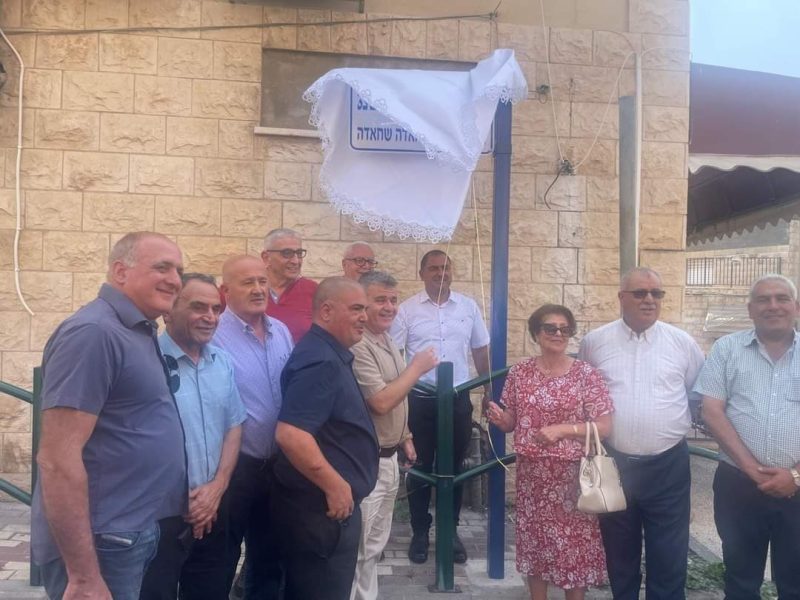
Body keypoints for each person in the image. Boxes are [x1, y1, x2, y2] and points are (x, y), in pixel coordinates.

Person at [31, 232, 187, 600]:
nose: (175, 280)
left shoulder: (134, 329)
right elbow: (57, 459)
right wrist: (84, 576)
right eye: (162, 268)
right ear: (120, 271)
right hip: (102, 539)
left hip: (128, 530)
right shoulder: (94, 333)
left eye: (179, 271)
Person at [578, 267, 705, 600]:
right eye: (640, 293)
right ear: (621, 297)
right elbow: (584, 394)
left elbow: (695, 395)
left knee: (670, 554)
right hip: (614, 463)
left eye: (656, 293)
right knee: (619, 553)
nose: (649, 300)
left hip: (668, 465)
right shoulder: (595, 343)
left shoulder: (682, 343)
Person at [487, 304, 613, 600]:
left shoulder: (586, 374)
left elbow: (604, 426)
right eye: (550, 328)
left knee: (573, 548)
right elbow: (512, 421)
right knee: (536, 545)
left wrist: (563, 430)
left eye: (564, 329)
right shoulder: (520, 373)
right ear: (535, 333)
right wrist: (501, 419)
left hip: (573, 479)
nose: (558, 333)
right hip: (533, 478)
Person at [140, 273, 247, 600]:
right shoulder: (145, 365)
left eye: (216, 309)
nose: (210, 317)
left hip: (215, 507)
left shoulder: (222, 362)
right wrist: (185, 498)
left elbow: (233, 426)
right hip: (160, 516)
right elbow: (137, 443)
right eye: (199, 307)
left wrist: (216, 488)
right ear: (168, 312)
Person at [694, 274, 800, 600]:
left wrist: (795, 475)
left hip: (798, 487)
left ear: (796, 307)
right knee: (740, 581)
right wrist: (752, 469)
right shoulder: (727, 349)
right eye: (763, 299)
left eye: (782, 298)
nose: (773, 306)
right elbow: (711, 410)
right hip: (738, 485)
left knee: (796, 583)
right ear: (750, 309)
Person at [272, 277, 379, 600]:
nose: (365, 317)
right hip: (322, 511)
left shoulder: (330, 353)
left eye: (365, 309)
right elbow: (291, 433)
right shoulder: (321, 360)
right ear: (327, 311)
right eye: (356, 309)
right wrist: (335, 486)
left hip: (327, 510)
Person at [390, 249, 491, 564]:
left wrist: (489, 389)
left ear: (452, 272)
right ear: (422, 273)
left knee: (454, 467)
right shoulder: (406, 310)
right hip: (420, 399)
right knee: (419, 466)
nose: (440, 273)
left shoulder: (468, 307)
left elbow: (480, 349)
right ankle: (420, 531)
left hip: (458, 399)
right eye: (433, 268)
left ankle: (451, 532)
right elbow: (394, 354)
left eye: (445, 267)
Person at [349, 271, 438, 600]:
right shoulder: (359, 345)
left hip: (388, 458)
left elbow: (396, 394)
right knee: (357, 549)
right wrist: (417, 367)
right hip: (365, 462)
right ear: (362, 304)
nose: (389, 307)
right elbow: (381, 401)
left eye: (393, 300)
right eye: (380, 300)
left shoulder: (385, 338)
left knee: (374, 547)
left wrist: (406, 436)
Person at [212, 255, 293, 599]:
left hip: (277, 465)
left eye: (262, 281)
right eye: (248, 283)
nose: (259, 289)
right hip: (234, 467)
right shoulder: (213, 335)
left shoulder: (281, 331)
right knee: (220, 556)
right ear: (226, 290)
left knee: (270, 557)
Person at [261, 228, 318, 343]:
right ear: (266, 257)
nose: (296, 261)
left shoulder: (314, 291)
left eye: (299, 253)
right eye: (287, 253)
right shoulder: (249, 289)